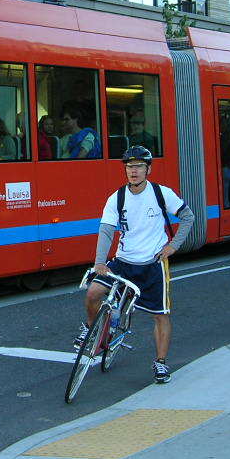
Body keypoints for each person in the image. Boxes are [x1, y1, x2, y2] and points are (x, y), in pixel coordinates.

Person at [77, 146, 194, 384]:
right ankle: (93, 331)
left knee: (161, 315)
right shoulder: (117, 198)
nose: (134, 171)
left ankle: (160, 363)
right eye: (130, 166)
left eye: (139, 166)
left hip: (153, 265)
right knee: (92, 293)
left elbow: (188, 216)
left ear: (148, 169)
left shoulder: (162, 194)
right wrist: (100, 262)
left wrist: (173, 246)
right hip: (123, 263)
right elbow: (107, 230)